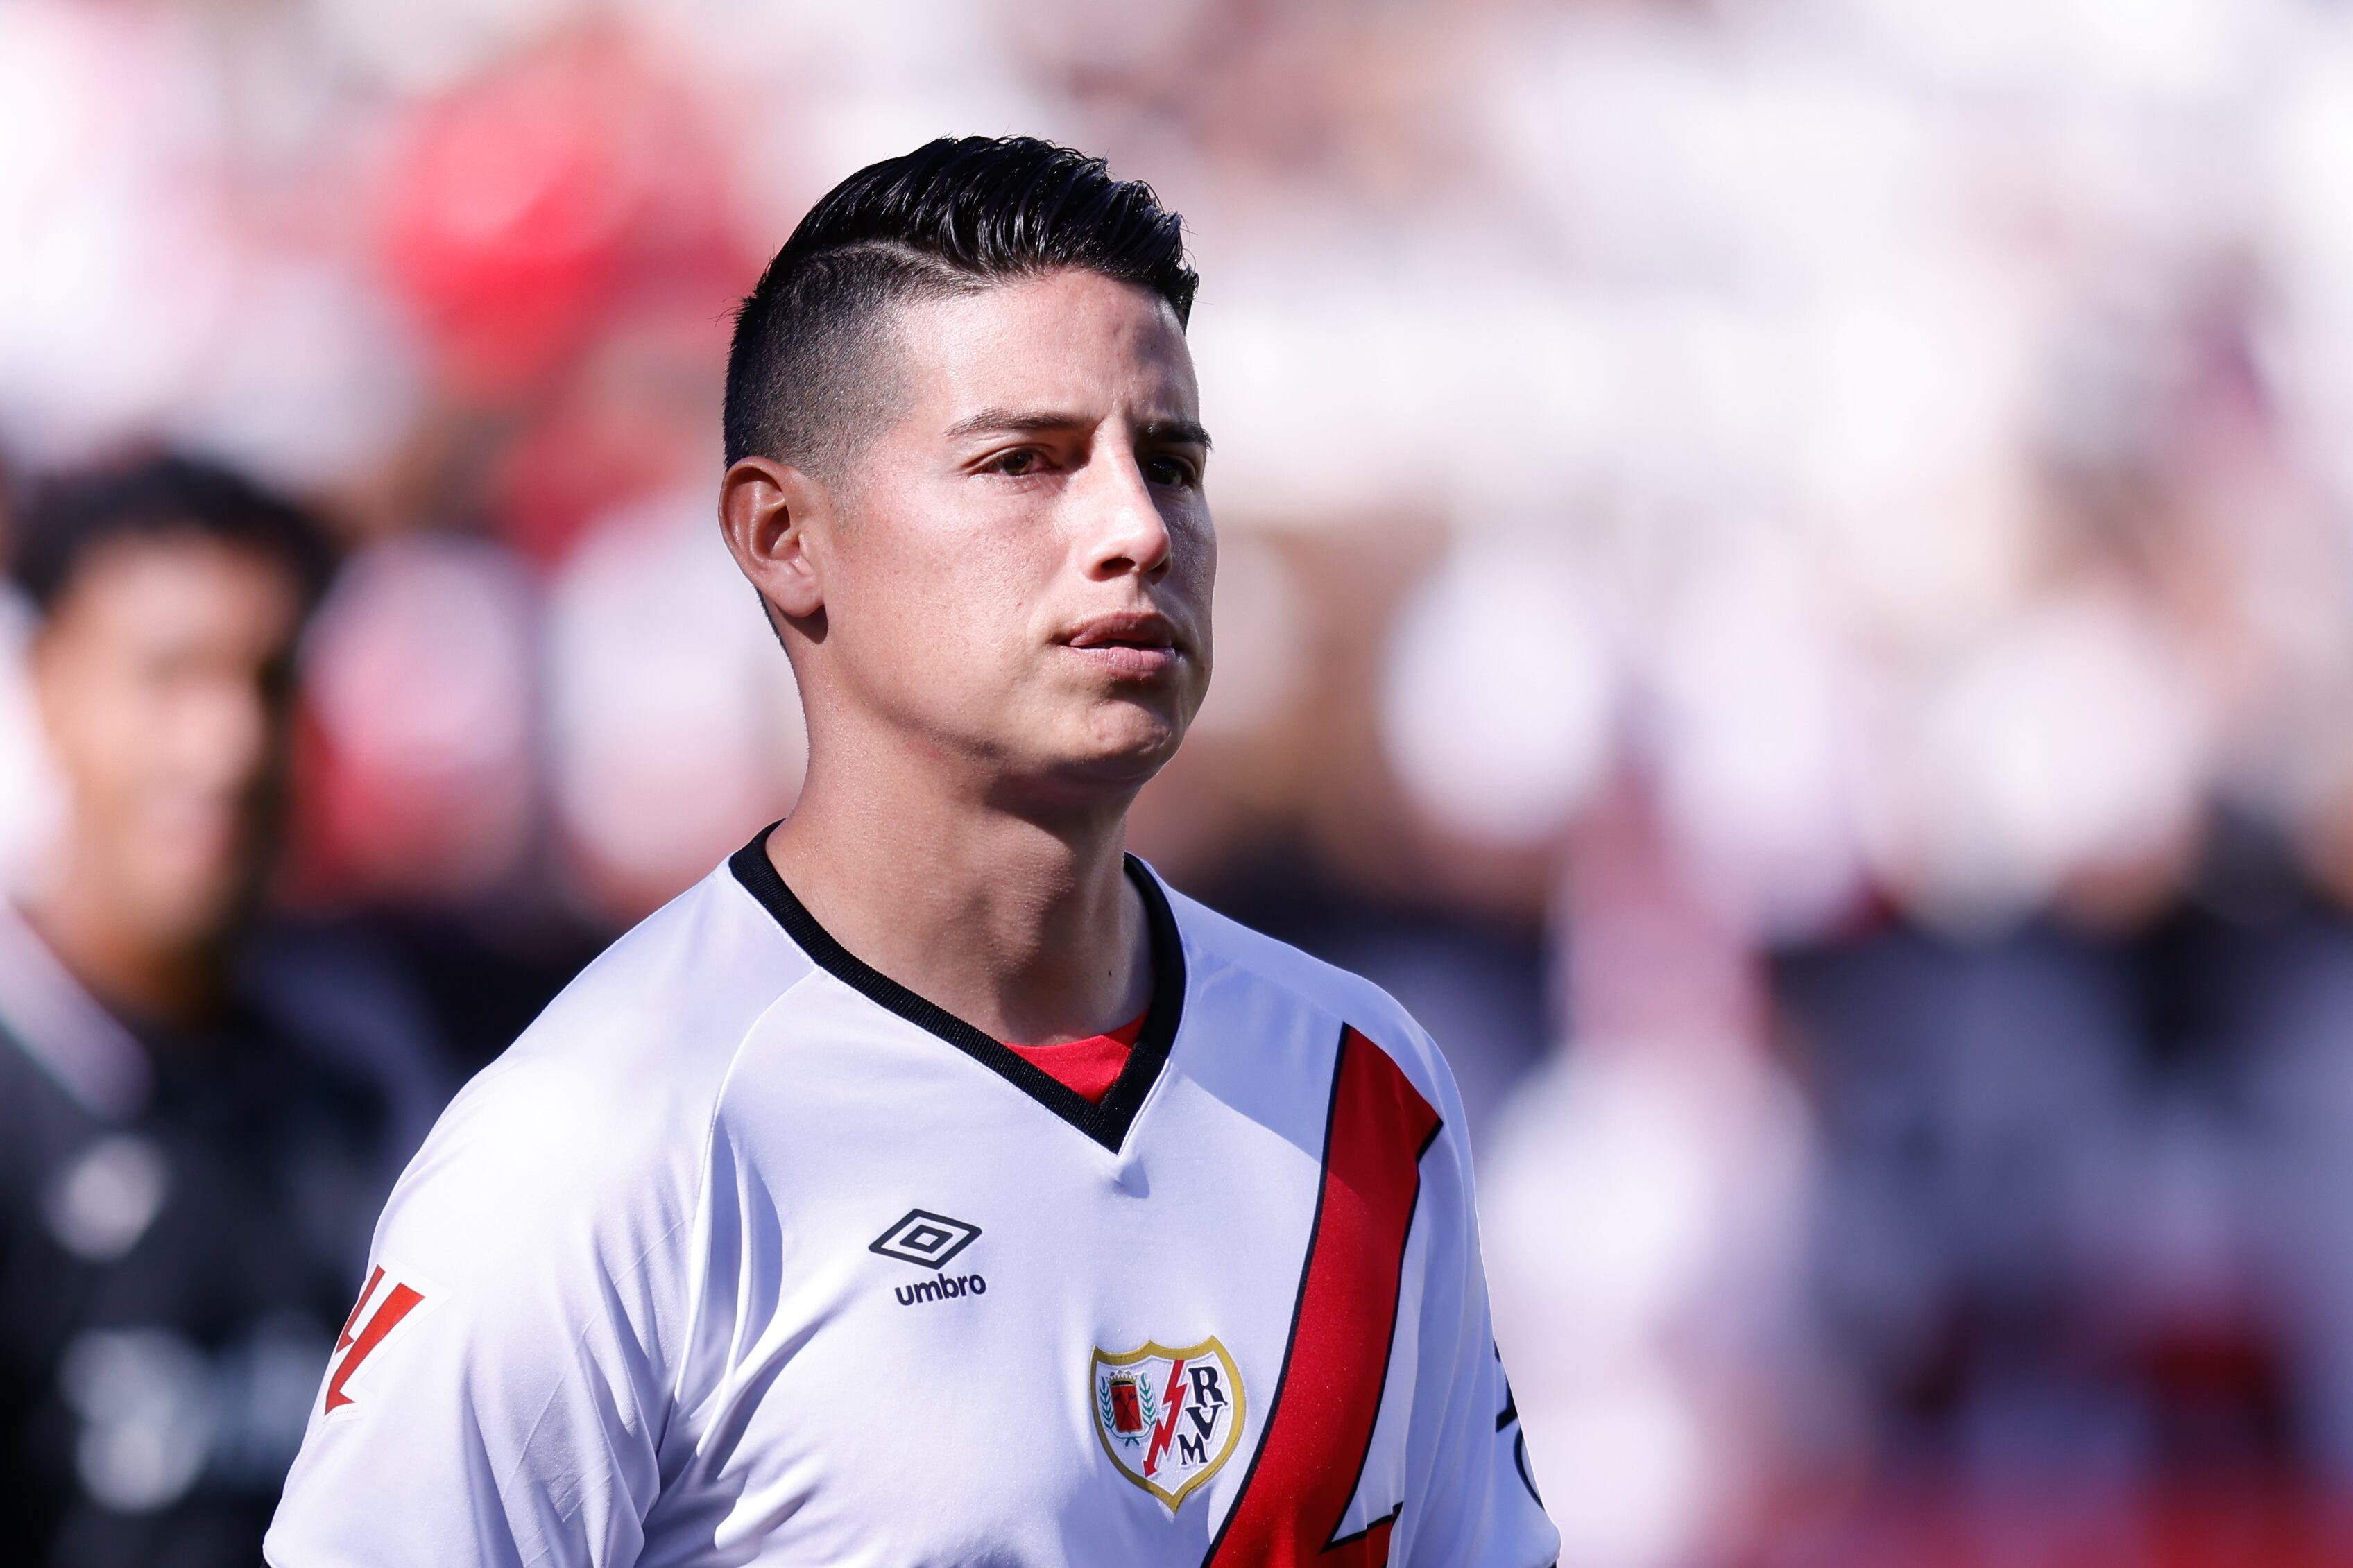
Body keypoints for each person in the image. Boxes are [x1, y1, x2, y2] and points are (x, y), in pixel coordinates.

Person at [266, 137, 1558, 1567]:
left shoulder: (1367, 1084)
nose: (1136, 529)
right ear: (780, 539)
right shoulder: (603, 1141)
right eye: (1026, 462)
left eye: (1170, 463)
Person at [0, 456, 449, 1567]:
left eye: (268, 679)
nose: (226, 748)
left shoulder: (370, 1085)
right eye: (167, 678)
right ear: (48, 687)